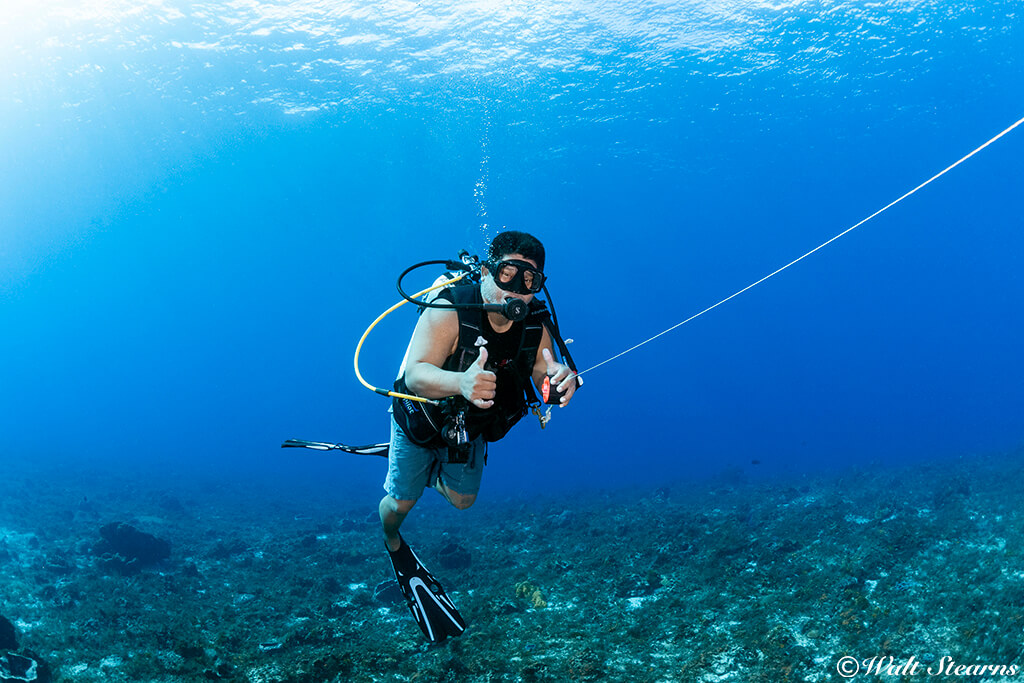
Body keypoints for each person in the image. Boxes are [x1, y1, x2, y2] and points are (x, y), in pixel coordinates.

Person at [380, 231, 577, 642]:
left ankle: (430, 473)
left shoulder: (535, 324)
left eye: (531, 281)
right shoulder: (451, 307)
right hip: (421, 418)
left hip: (468, 427)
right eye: (509, 273)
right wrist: (461, 383)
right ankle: (392, 540)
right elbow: (415, 373)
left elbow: (545, 373)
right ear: (487, 271)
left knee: (464, 501)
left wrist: (558, 382)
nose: (518, 290)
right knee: (399, 505)